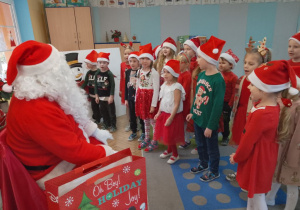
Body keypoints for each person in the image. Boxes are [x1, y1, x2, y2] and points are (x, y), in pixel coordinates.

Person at [3, 40, 115, 191]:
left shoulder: (38, 94)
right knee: (115, 168)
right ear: (50, 73)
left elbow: (68, 121)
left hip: (54, 157)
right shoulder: (36, 109)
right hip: (49, 172)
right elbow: (75, 152)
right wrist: (106, 152)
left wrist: (91, 133)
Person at [230, 60, 298, 210]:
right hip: (262, 158)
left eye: (253, 85)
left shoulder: (263, 113)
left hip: (257, 160)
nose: (249, 87)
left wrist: (236, 157)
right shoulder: (269, 107)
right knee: (254, 194)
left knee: (258, 196)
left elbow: (248, 142)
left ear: (265, 89)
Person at [226, 37, 272, 181]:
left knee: (251, 148)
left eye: (251, 63)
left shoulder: (263, 85)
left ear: (261, 65)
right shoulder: (243, 79)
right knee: (242, 146)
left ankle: (250, 176)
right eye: (245, 62)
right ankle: (240, 172)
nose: (246, 66)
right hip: (241, 116)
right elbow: (237, 98)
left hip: (253, 119)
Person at [187, 36, 226, 182]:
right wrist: (192, 111)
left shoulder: (218, 80)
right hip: (198, 118)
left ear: (208, 59)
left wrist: (211, 126)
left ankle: (214, 170)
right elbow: (198, 95)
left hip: (209, 123)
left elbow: (217, 106)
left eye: (199, 57)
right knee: (200, 145)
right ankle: (203, 164)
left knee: (212, 148)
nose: (197, 60)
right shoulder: (202, 74)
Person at [265, 89, 300, 210]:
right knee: (277, 175)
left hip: (293, 150)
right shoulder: (285, 102)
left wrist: (294, 156)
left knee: (291, 183)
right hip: (281, 146)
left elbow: (298, 135)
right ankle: (270, 197)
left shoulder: (298, 106)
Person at [154, 60, 185, 164]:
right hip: (164, 113)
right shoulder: (164, 85)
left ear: (174, 74)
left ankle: (175, 154)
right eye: (164, 72)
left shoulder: (177, 87)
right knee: (166, 134)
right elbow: (162, 100)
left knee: (171, 135)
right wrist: (158, 112)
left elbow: (176, 104)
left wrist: (171, 117)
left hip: (173, 115)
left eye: (168, 72)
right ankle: (169, 150)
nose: (165, 74)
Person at [136, 43, 160, 151]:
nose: (144, 61)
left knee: (152, 121)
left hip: (150, 99)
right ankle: (146, 138)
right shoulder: (139, 71)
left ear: (151, 60)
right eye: (142, 58)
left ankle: (154, 140)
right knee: (145, 120)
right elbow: (138, 85)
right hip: (141, 99)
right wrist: (137, 99)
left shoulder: (154, 73)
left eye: (147, 58)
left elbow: (156, 90)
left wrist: (153, 105)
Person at [218, 49, 239, 146]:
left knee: (226, 120)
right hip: (218, 102)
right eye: (219, 63)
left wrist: (230, 104)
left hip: (226, 103)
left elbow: (234, 92)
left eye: (223, 63)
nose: (220, 65)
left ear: (231, 65)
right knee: (217, 119)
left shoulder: (233, 77)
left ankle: (225, 136)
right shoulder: (218, 75)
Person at [125, 51, 145, 141]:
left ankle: (143, 132)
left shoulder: (141, 72)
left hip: (139, 98)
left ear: (139, 62)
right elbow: (126, 86)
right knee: (132, 116)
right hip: (130, 98)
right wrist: (126, 98)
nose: (132, 63)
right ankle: (133, 132)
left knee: (141, 116)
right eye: (130, 61)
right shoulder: (128, 71)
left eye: (134, 61)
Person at [95, 52, 117, 133]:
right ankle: (106, 124)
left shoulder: (109, 74)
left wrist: (111, 96)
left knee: (111, 112)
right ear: (97, 63)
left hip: (108, 97)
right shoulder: (97, 73)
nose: (102, 64)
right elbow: (96, 86)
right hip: (100, 97)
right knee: (103, 112)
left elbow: (112, 86)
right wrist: (96, 96)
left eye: (104, 63)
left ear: (107, 63)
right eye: (100, 63)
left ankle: (113, 125)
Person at [176, 52, 193, 149]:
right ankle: (183, 138)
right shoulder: (179, 74)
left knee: (185, 122)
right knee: (181, 122)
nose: (179, 64)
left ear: (186, 64)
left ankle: (186, 140)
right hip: (179, 100)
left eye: (181, 62)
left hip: (183, 102)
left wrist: (180, 98)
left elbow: (185, 90)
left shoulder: (187, 75)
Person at [81, 50, 101, 124]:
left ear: (92, 63)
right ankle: (97, 120)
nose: (86, 65)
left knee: (101, 108)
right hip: (92, 95)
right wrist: (79, 89)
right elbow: (85, 82)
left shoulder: (99, 72)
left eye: (87, 63)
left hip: (99, 94)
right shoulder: (89, 73)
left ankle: (103, 118)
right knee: (94, 108)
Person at [120, 42, 134, 132]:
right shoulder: (122, 65)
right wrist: (120, 90)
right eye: (125, 53)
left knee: (134, 107)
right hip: (125, 88)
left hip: (133, 88)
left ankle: (136, 123)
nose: (127, 55)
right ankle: (130, 123)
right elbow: (122, 78)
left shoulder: (134, 64)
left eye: (129, 53)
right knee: (128, 107)